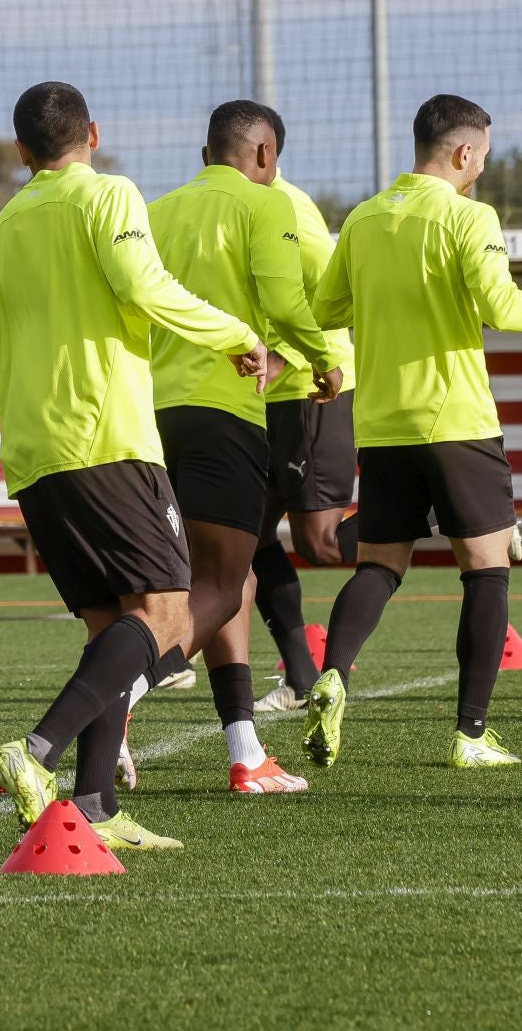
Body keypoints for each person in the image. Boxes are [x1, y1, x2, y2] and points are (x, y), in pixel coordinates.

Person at [0, 82, 267, 849]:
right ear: (93, 132)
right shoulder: (110, 195)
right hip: (107, 438)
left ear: (21, 152)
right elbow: (141, 285)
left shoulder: (0, 229)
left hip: (32, 453)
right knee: (165, 612)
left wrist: (33, 345)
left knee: (108, 627)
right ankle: (38, 750)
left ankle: (95, 808)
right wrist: (234, 335)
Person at [302, 95, 522, 770]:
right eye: (482, 161)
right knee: (487, 571)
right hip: (457, 422)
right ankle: (470, 734)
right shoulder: (469, 216)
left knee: (378, 565)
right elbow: (505, 309)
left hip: (382, 426)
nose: (481, 173)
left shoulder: (366, 218)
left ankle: (333, 674)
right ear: (463, 154)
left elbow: (324, 307)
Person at [147, 100, 336, 794]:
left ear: (205, 156)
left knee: (213, 582)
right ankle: (115, 701)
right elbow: (287, 304)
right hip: (224, 413)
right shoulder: (268, 206)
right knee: (223, 586)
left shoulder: (157, 212)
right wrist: (321, 358)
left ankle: (244, 748)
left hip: (152, 417)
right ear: (263, 156)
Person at [248, 106, 359, 712]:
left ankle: (460, 517)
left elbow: (328, 301)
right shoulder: (242, 208)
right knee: (248, 535)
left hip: (313, 391)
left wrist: (290, 359)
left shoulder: (290, 210)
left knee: (319, 544)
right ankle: (297, 676)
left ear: (264, 154)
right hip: (260, 399)